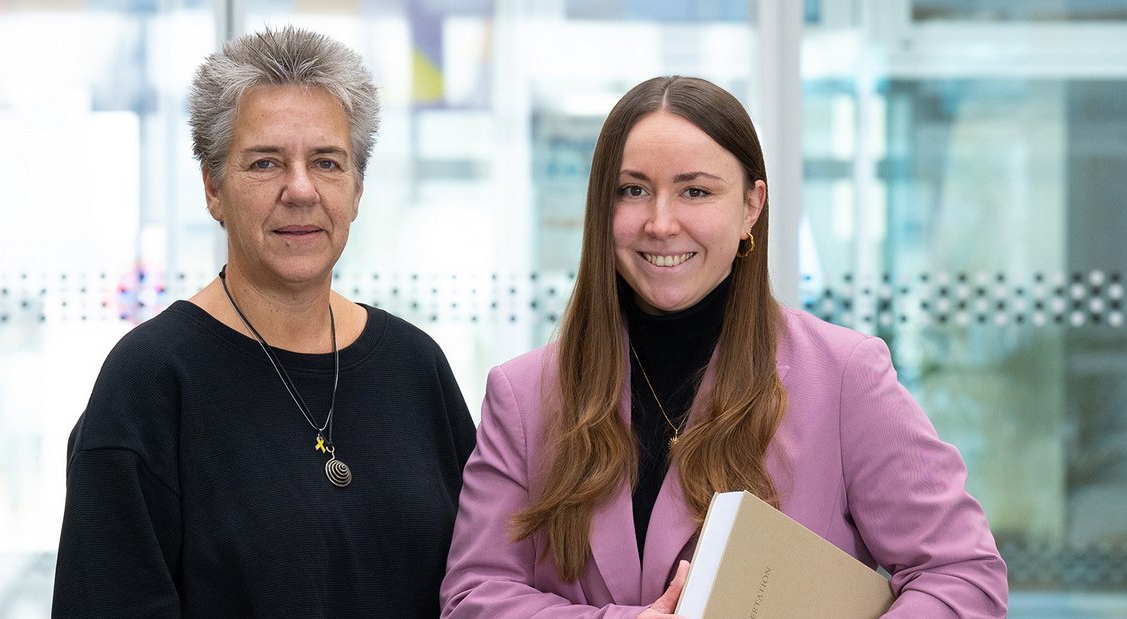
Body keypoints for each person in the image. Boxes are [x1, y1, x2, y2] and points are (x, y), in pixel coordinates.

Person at [439, 76, 1009, 618]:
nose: (662, 223)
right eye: (633, 190)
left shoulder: (844, 376)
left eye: (696, 191)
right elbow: (473, 596)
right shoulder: (525, 394)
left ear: (751, 207)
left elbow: (962, 576)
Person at [53, 27, 476, 618]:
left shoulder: (414, 366)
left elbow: (481, 588)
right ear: (213, 187)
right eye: (265, 162)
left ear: (356, 189)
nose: (300, 190)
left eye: (327, 162)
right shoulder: (149, 379)